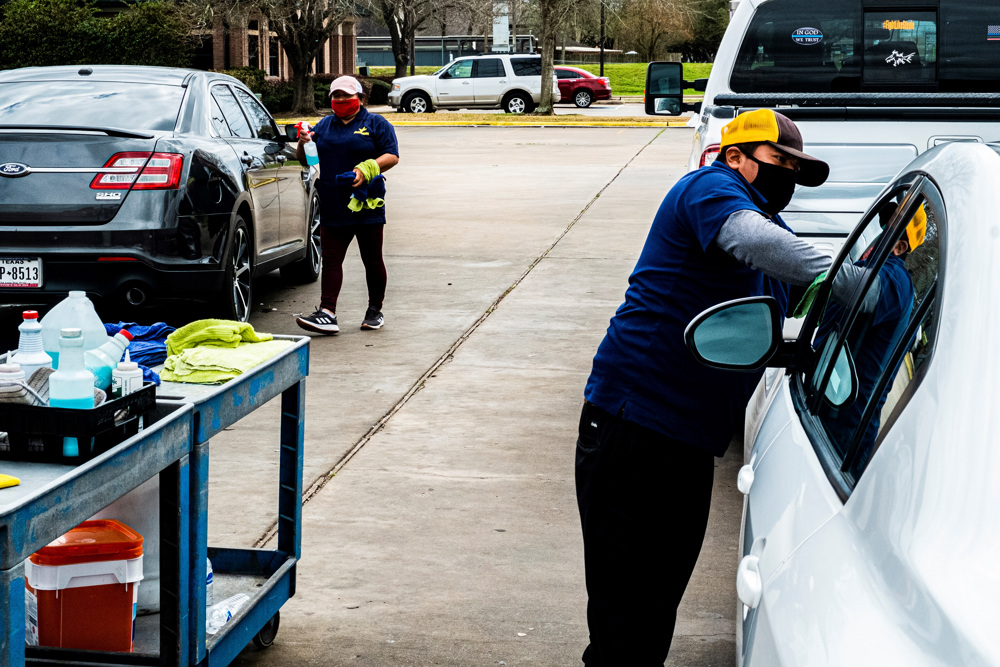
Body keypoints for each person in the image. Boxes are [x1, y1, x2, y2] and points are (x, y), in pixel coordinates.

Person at [576, 109, 835, 665]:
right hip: (634, 425)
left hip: (687, 439)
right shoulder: (708, 187)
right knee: (627, 615)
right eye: (778, 161)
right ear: (735, 155)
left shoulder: (765, 215)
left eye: (795, 166)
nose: (786, 174)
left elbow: (780, 310)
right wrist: (857, 277)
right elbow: (759, 246)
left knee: (654, 605)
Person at [295, 75, 400, 335]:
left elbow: (392, 155)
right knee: (331, 260)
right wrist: (302, 142)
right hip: (333, 203)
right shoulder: (324, 125)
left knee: (372, 260)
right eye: (336, 96)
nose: (340, 100)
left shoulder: (376, 123)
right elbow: (306, 160)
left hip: (367, 203)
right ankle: (327, 313)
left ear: (360, 98)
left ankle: (375, 310)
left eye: (346, 95)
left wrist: (367, 168)